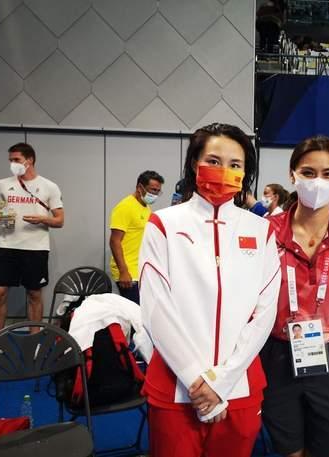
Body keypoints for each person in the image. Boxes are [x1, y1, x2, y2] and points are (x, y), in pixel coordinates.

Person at [138, 123, 281, 457]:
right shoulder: (164, 224)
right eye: (213, 161)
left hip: (239, 385)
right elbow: (155, 308)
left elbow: (265, 312)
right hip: (175, 386)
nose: (224, 170)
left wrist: (221, 382)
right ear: (194, 163)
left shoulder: (261, 230)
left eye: (235, 164)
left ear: (245, 172)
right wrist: (195, 379)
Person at [261, 135, 329, 457]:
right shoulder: (264, 232)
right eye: (308, 173)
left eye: (328, 174)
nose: (317, 182)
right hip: (277, 349)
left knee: (324, 449)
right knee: (288, 449)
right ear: (292, 175)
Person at [0, 143, 64, 332]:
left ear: (29, 160)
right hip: (6, 246)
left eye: (16, 160)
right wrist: (1, 219)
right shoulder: (2, 185)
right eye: (10, 160)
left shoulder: (49, 186)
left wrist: (42, 219)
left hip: (35, 249)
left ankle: (34, 338)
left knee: (34, 294)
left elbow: (59, 220)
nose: (12, 164)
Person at [109, 170, 164, 305]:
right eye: (153, 190)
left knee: (143, 312)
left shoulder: (146, 207)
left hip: (140, 270)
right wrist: (123, 271)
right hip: (128, 273)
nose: (155, 194)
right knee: (134, 313)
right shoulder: (125, 207)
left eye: (158, 191)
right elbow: (114, 241)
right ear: (140, 187)